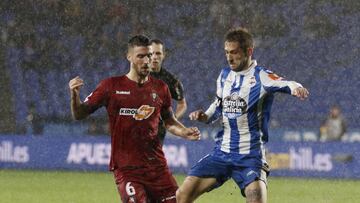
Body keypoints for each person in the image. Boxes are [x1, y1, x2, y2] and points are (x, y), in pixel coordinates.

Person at [176, 28, 309, 203]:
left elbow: (285, 83)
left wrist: (296, 88)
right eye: (226, 53)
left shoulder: (261, 76)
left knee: (256, 199)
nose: (229, 57)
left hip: (250, 156)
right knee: (182, 195)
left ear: (249, 52)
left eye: (234, 52)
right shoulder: (224, 76)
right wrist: (205, 116)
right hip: (222, 153)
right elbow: (218, 104)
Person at [68, 35, 200, 203]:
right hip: (127, 168)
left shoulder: (161, 88)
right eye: (140, 56)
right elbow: (79, 114)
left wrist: (184, 132)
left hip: (157, 168)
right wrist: (74, 96)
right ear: (129, 56)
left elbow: (169, 121)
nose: (146, 61)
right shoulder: (111, 86)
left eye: (149, 56)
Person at [149, 39, 187, 144]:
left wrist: (171, 118)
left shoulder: (170, 80)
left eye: (158, 53)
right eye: (151, 53)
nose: (155, 57)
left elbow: (182, 104)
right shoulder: (137, 76)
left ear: (164, 55)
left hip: (157, 131)